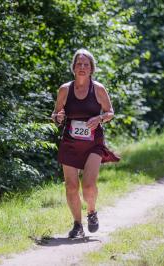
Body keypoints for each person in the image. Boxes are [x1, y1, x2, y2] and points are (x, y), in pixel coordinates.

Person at [51, 49, 120, 238]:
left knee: (88, 185)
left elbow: (110, 112)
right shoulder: (65, 89)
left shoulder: (98, 89)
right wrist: (58, 117)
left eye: (86, 65)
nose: (82, 67)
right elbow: (56, 115)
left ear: (91, 69)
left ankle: (91, 212)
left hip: (93, 143)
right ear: (73, 68)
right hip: (71, 142)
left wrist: (99, 118)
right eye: (79, 64)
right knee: (71, 186)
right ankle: (77, 224)